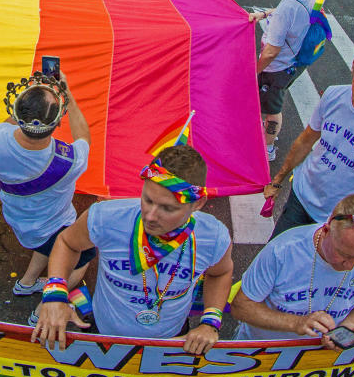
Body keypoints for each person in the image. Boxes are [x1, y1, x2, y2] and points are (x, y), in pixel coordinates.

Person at [31, 145, 233, 353]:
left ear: (198, 204)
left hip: (172, 340)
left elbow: (221, 273)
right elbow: (67, 243)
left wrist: (210, 321)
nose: (151, 216)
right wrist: (54, 293)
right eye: (147, 200)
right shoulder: (105, 218)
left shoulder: (213, 236)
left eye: (167, 208)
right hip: (104, 333)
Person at [263, 39, 354, 236]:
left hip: (337, 220)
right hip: (301, 198)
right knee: (277, 256)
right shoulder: (333, 95)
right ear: (353, 66)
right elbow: (306, 140)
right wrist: (277, 181)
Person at [0, 72, 95, 323]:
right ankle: (42, 311)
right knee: (78, 257)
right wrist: (69, 97)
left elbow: (10, 122)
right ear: (58, 123)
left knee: (45, 245)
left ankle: (26, 282)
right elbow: (84, 139)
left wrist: (29, 104)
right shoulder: (69, 160)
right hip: (54, 223)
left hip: (18, 219)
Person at [231, 192, 354, 344]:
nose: (350, 266)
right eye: (343, 254)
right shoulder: (282, 251)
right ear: (326, 230)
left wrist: (350, 325)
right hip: (264, 351)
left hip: (317, 357)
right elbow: (241, 306)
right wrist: (296, 323)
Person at [248, 0, 314, 161]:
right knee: (268, 102)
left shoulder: (288, 9)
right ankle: (266, 136)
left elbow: (271, 51)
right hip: (292, 59)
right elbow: (284, 11)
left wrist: (255, 70)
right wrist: (266, 14)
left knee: (272, 107)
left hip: (277, 67)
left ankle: (267, 148)